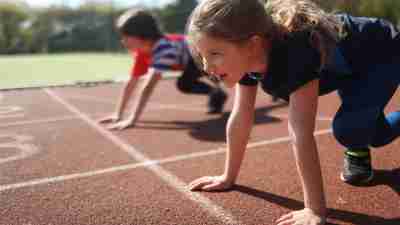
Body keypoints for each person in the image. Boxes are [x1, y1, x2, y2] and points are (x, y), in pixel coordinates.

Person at [185, 0, 400, 224]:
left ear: (252, 44)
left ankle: (357, 143)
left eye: (215, 54)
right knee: (374, 133)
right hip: (347, 63)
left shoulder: (294, 53)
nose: (207, 68)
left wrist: (314, 209)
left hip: (381, 52)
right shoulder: (248, 57)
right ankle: (361, 140)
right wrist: (227, 177)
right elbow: (241, 117)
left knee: (349, 130)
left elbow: (300, 132)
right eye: (202, 56)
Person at [98, 8, 228, 130]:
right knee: (188, 82)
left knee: (184, 84)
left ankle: (217, 90)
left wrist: (132, 119)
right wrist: (118, 114)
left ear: (142, 35)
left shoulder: (163, 49)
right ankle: (217, 93)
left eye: (126, 36)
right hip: (191, 60)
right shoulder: (142, 53)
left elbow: (148, 86)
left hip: (201, 54)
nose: (123, 41)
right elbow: (131, 83)